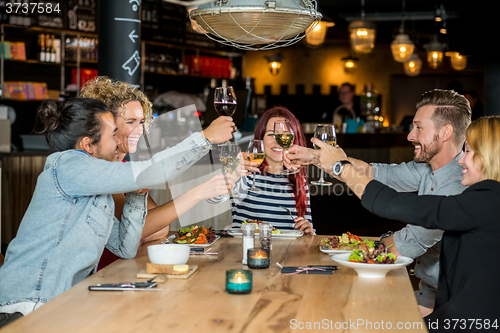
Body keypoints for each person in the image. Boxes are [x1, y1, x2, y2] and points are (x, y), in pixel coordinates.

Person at [0, 98, 234, 328]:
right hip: (28, 307)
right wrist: (204, 138)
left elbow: (126, 247)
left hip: (61, 305)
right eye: (113, 134)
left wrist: (136, 193)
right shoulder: (68, 165)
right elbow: (152, 171)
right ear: (87, 144)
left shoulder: (95, 189)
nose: (118, 142)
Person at [286, 89, 471, 314]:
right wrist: (315, 157)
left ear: (445, 133)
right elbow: (376, 173)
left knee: (354, 310)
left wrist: (351, 252)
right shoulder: (428, 167)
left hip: (456, 304)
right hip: (429, 291)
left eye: (419, 127)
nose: (410, 135)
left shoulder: (458, 183)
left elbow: (408, 243)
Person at [311, 116, 500, 328]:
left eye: (469, 151)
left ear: (489, 156)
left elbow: (391, 203)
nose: (461, 160)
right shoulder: (484, 200)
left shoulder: (486, 200)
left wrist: (341, 167)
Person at [79, 76, 235, 270]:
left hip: (125, 270)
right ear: (107, 125)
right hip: (101, 276)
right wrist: (198, 191)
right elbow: (138, 231)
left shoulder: (124, 164)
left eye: (141, 121)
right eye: (130, 122)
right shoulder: (100, 170)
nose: (140, 130)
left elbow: (159, 227)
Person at [210, 106, 313, 235]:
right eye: (271, 134)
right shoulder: (246, 173)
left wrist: (308, 230)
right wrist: (233, 172)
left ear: (293, 139)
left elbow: (307, 228)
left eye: (285, 135)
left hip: (287, 253)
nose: (278, 141)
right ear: (261, 139)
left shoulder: (299, 179)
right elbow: (213, 200)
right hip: (246, 251)